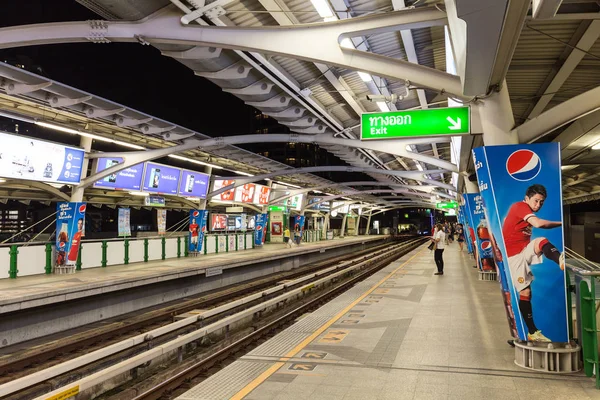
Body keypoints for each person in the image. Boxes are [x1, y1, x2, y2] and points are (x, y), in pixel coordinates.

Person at [502, 184, 563, 342]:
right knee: (525, 292)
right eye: (536, 201)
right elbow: (539, 224)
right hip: (513, 257)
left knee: (540, 241)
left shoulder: (525, 210)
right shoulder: (520, 207)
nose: (538, 205)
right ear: (527, 198)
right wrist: (562, 222)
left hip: (523, 250)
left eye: (541, 202)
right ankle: (532, 332)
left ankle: (560, 259)